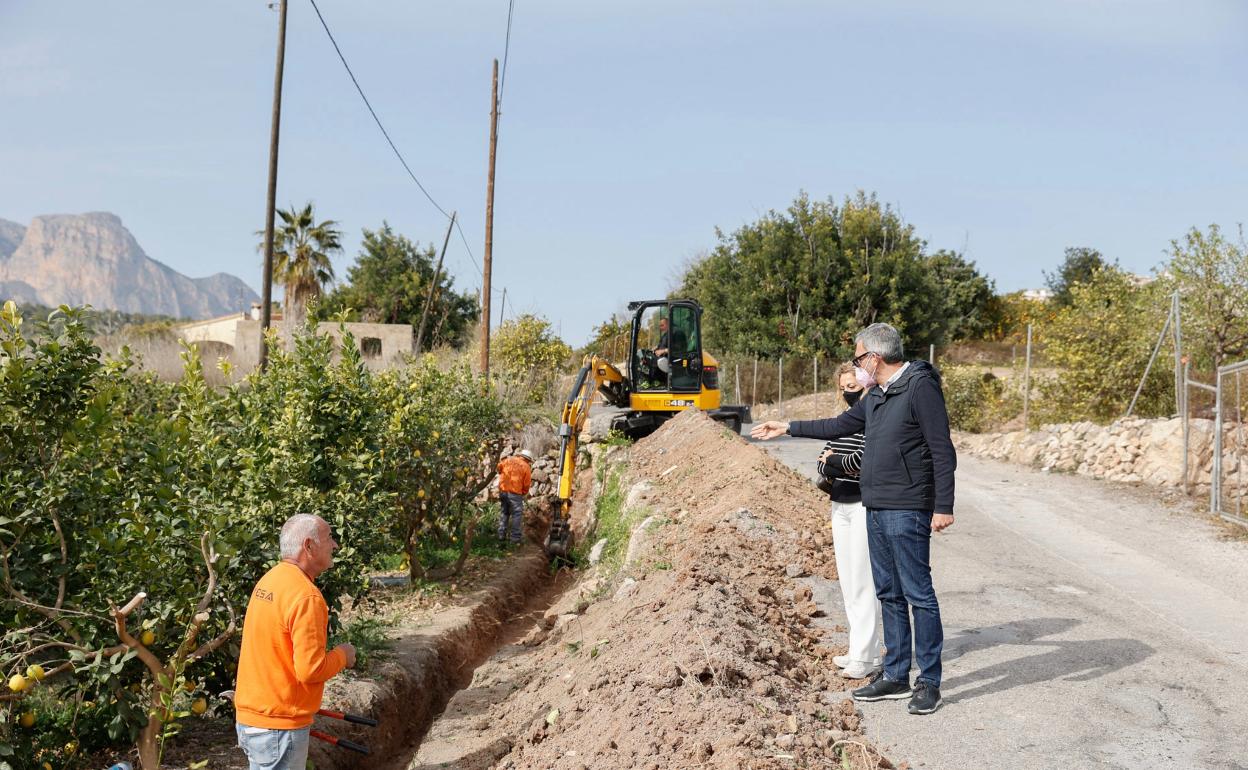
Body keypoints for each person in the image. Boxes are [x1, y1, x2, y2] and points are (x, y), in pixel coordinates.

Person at [752, 323, 956, 716]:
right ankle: (895, 675)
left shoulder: (918, 386)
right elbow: (841, 425)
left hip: (908, 505)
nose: (856, 365)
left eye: (858, 357)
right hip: (875, 506)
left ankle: (928, 681)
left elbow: (941, 448)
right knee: (889, 594)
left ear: (873, 358)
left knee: (918, 594)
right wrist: (788, 426)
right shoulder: (877, 394)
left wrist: (943, 505)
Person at [234, 513, 357, 769]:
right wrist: (343, 656)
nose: (335, 545)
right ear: (309, 546)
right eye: (329, 538)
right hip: (278, 727)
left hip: (253, 719)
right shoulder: (306, 597)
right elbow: (310, 670)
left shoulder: (270, 581)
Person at [815, 362, 883, 680]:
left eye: (852, 387)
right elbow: (823, 459)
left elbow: (859, 462)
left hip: (862, 504)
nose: (847, 393)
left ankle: (867, 657)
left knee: (863, 581)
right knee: (848, 582)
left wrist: (834, 463)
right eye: (843, 388)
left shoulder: (873, 417)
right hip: (839, 502)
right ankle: (859, 650)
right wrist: (834, 464)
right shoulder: (846, 422)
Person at [497, 449, 534, 545]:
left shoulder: (508, 460)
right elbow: (526, 484)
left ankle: (501, 536)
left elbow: (499, 468)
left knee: (504, 512)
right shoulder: (526, 467)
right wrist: (523, 493)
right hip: (515, 493)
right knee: (517, 514)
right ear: (528, 459)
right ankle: (515, 539)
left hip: (503, 491)